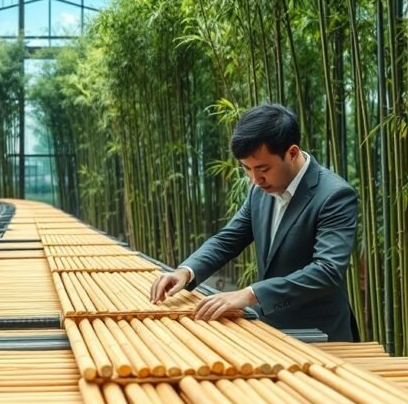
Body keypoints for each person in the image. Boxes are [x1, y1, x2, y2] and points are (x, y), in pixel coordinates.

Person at [149, 103, 360, 342]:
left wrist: (250, 294)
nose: (255, 179)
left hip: (321, 335)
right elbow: (227, 239)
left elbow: (327, 271)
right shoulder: (259, 191)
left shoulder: (334, 195)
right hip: (269, 332)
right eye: (246, 169)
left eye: (263, 169)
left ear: (292, 153)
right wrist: (186, 272)